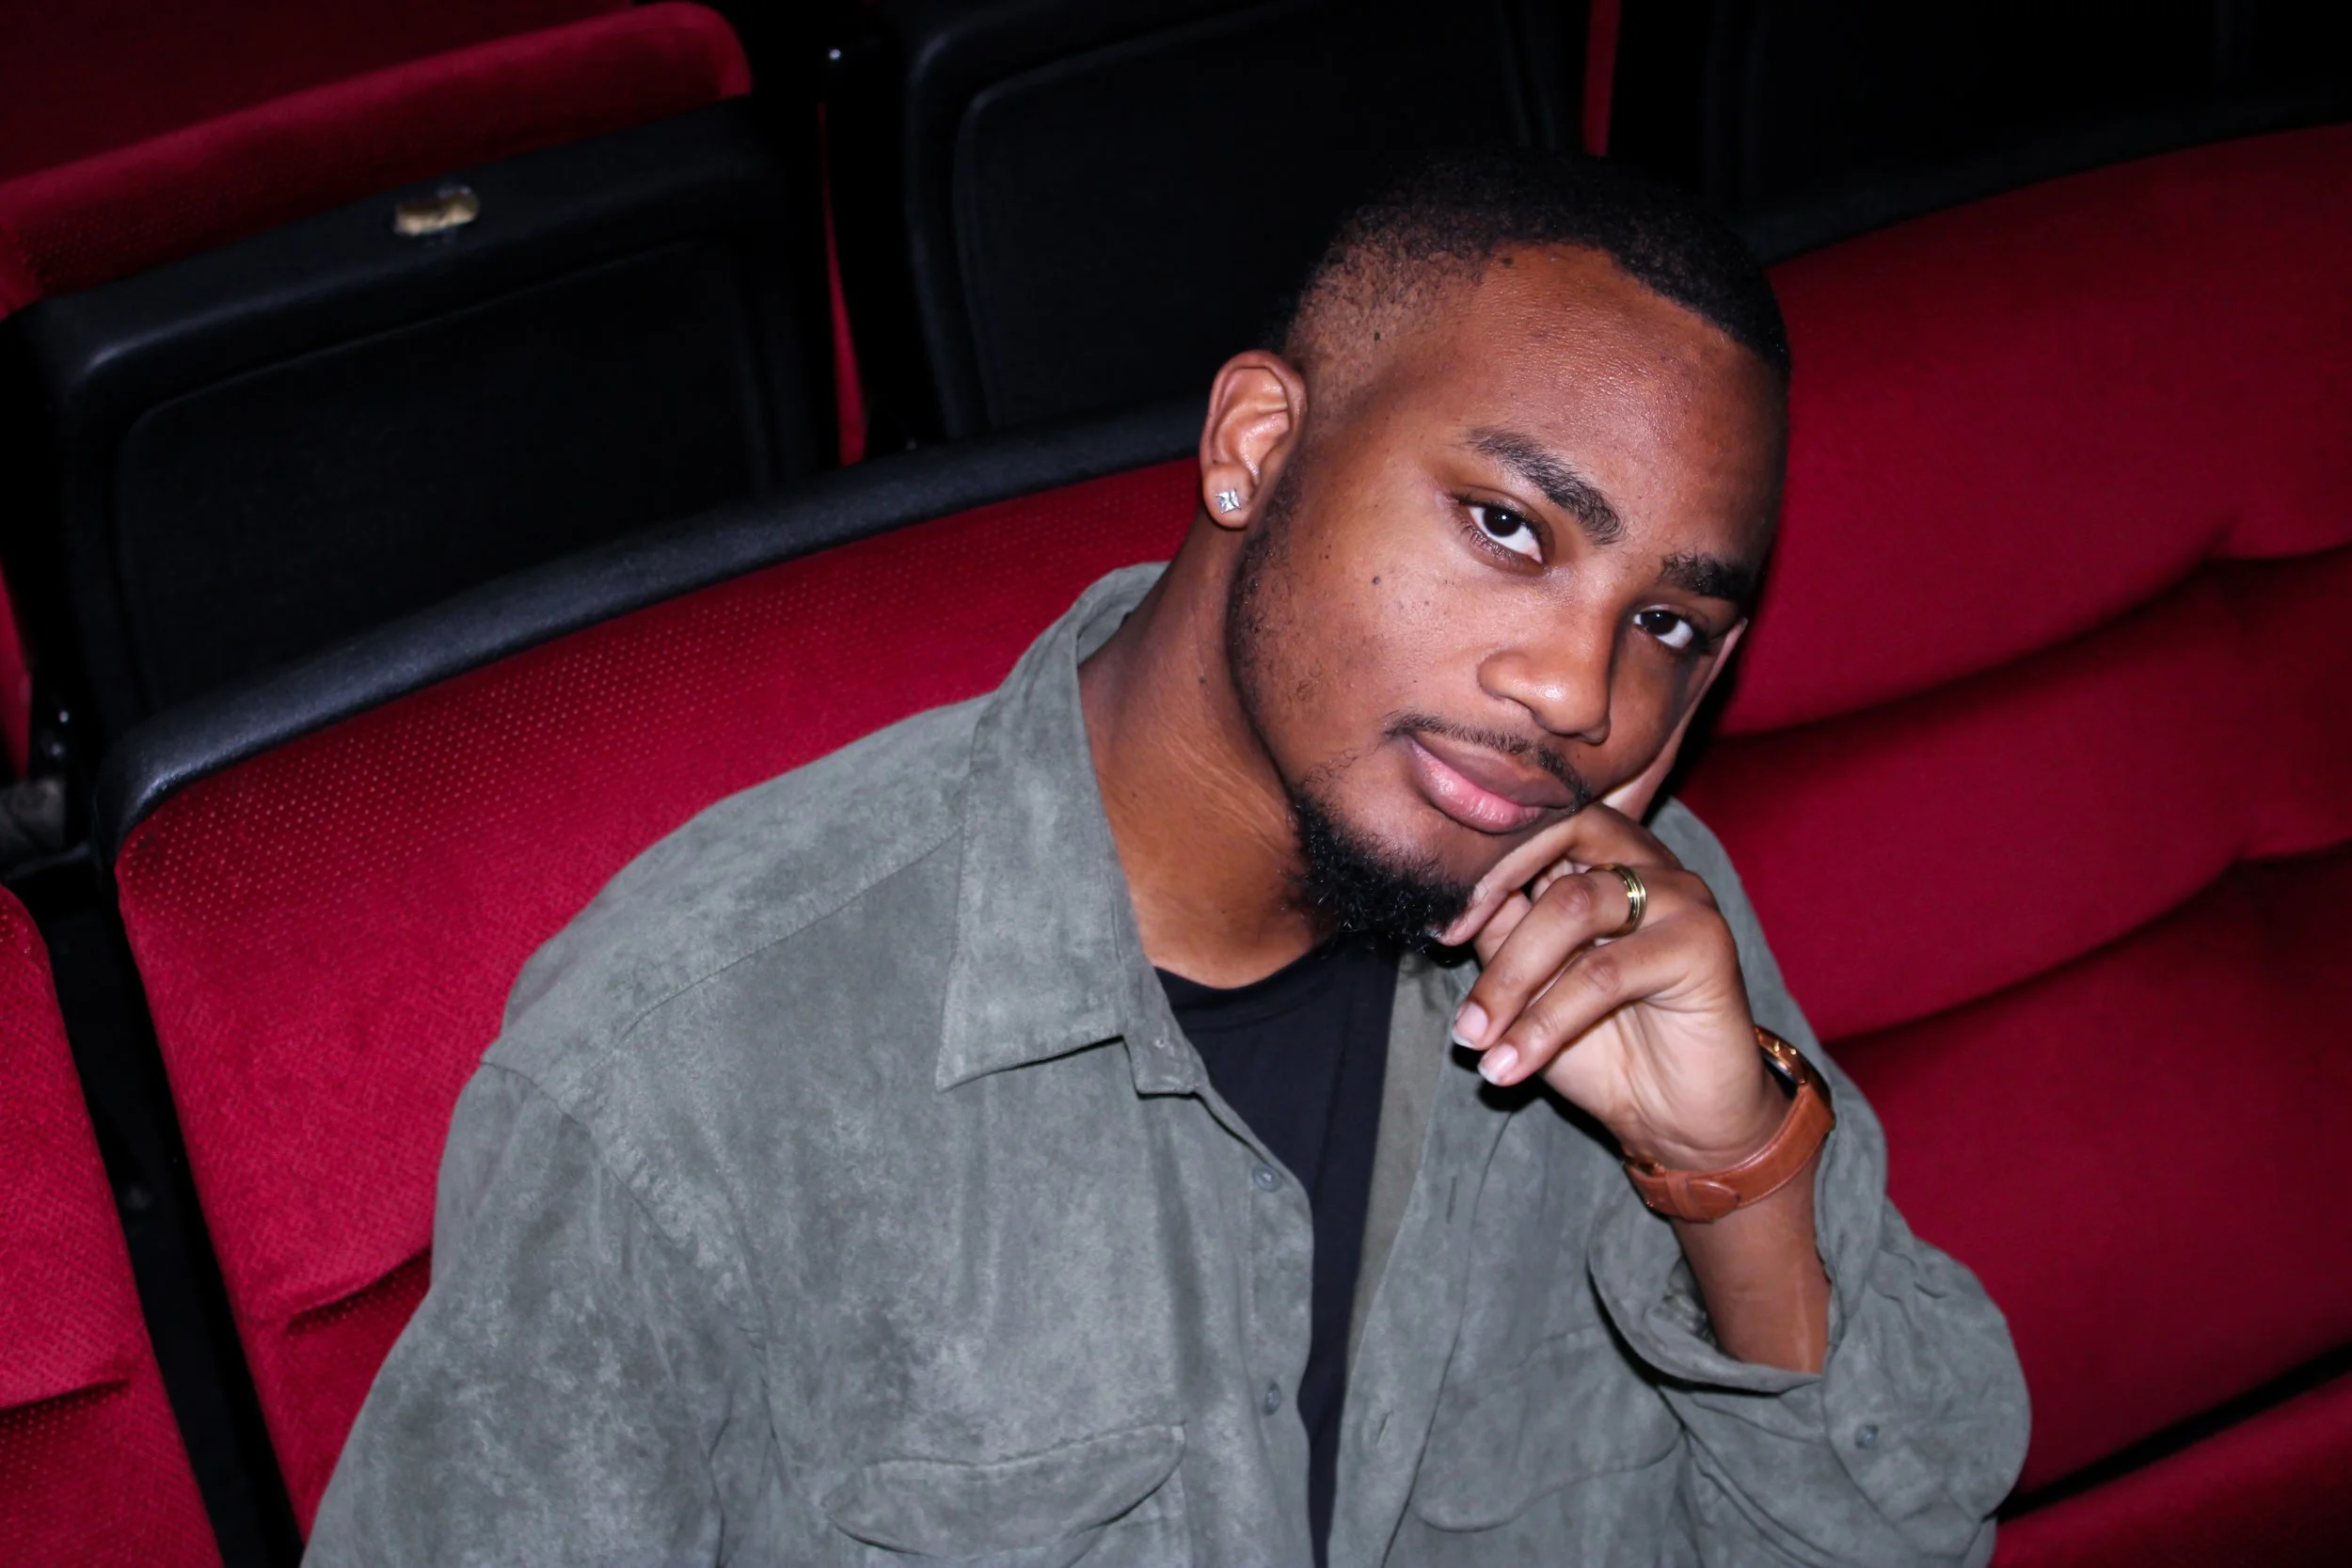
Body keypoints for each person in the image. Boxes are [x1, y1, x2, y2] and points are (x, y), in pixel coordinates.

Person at [307, 151, 2028, 1566]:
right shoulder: (687, 1078)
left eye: (1662, 618)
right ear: (1256, 449)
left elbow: (1904, 1534)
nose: (1576, 693)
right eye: (1508, 527)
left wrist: (1734, 1177)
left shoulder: (1624, 942)